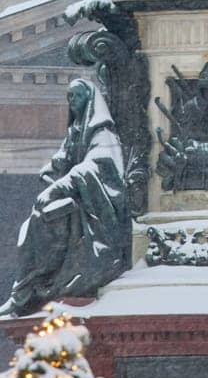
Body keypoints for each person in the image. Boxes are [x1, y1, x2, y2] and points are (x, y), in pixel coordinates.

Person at [0, 77, 128, 316]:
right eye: (69, 97)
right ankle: (27, 289)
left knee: (44, 223)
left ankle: (28, 290)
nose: (72, 102)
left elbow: (98, 166)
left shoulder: (102, 131)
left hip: (93, 211)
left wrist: (61, 187)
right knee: (32, 225)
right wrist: (51, 171)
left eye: (76, 96)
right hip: (81, 201)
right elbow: (63, 159)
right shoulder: (77, 130)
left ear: (89, 100)